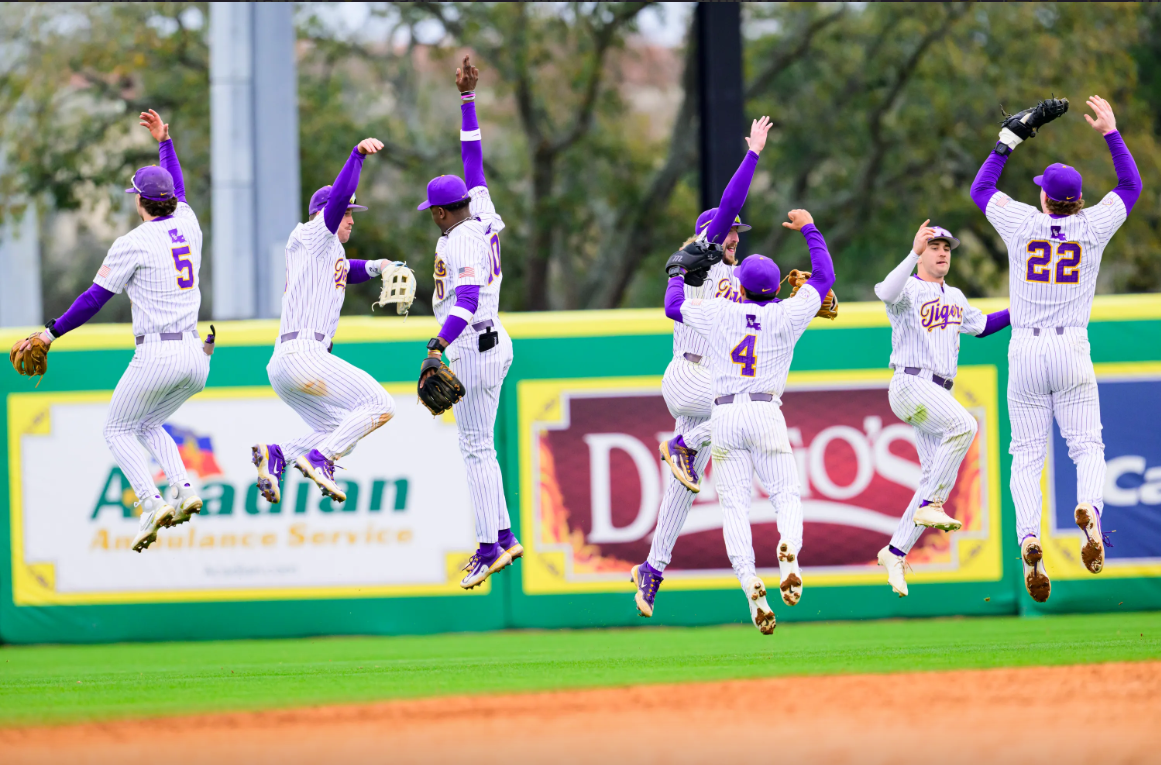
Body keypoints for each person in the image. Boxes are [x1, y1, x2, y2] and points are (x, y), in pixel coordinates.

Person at [11, 110, 213, 551]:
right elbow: (176, 187)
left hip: (157, 354)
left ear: (139, 201)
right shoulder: (189, 221)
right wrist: (166, 142)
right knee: (148, 423)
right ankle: (184, 489)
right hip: (197, 359)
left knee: (117, 430)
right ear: (171, 202)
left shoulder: (133, 243)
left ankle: (149, 501)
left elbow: (93, 299)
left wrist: (49, 334)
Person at [970, 95, 1141, 602]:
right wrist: (1111, 131)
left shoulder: (1022, 223)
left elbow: (981, 188)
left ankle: (1028, 539)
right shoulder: (1093, 227)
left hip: (1024, 350)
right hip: (1071, 350)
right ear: (1078, 200)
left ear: (1045, 198)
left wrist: (1008, 141)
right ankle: (1088, 508)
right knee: (1087, 447)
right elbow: (1130, 185)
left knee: (1026, 457)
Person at [657, 209, 835, 634]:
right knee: (786, 494)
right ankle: (788, 550)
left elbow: (673, 307)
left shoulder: (719, 311)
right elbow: (824, 277)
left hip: (725, 414)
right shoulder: (786, 315)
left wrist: (677, 273)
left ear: (739, 286)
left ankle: (748, 582)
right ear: (776, 288)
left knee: (734, 508)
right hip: (765, 411)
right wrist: (810, 229)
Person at [630, 116, 773, 618]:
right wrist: (752, 154)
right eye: (729, 231)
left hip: (712, 384)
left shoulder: (736, 274)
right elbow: (728, 206)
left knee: (681, 491)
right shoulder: (701, 262)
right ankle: (683, 445)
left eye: (736, 233)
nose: (735, 235)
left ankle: (652, 569)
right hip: (691, 376)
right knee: (748, 418)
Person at [416, 56, 521, 590]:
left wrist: (437, 345)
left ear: (439, 212)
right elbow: (473, 161)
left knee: (476, 449)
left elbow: (467, 298)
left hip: (474, 340)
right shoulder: (480, 214)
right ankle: (503, 536)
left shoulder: (460, 238)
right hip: (493, 340)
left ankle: (487, 548)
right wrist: (467, 100)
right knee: (483, 446)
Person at [251, 138, 398, 506]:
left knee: (338, 430)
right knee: (380, 404)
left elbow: (351, 271)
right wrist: (356, 157)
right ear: (326, 213)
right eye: (348, 211)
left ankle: (279, 454)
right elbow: (337, 203)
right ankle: (321, 459)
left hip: (287, 362)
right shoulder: (314, 233)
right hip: (304, 353)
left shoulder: (328, 252)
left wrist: (381, 267)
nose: (351, 218)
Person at [873, 221, 1011, 596]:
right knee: (965, 426)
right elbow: (885, 291)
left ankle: (895, 551)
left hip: (935, 394)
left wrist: (1018, 310)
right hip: (910, 382)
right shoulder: (908, 289)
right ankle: (932, 503)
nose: (942, 251)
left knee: (931, 480)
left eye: (947, 246)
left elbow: (981, 327)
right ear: (922, 251)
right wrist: (913, 251)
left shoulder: (956, 296)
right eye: (935, 245)